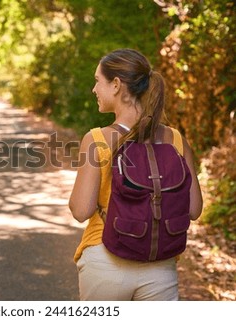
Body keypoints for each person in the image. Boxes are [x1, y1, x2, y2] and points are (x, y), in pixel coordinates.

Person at [69, 48, 203, 300]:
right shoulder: (175, 139)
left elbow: (80, 211)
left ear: (116, 85)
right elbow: (194, 209)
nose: (94, 89)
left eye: (98, 81)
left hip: (105, 261)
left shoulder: (97, 139)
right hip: (160, 263)